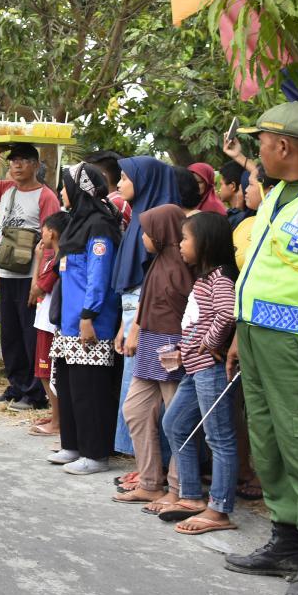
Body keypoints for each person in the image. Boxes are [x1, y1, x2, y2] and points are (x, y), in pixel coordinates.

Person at [223, 101, 298, 595]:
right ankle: (287, 539)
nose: (256, 151)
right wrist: (241, 333)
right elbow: (262, 268)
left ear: (283, 146)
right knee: (268, 442)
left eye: (260, 141)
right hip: (259, 337)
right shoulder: (280, 192)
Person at [159, 212, 239, 535]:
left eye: (186, 238)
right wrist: (184, 350)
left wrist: (209, 343)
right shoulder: (204, 280)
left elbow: (226, 312)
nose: (180, 245)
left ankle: (219, 509)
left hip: (210, 370)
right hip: (194, 370)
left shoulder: (220, 279)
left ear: (205, 242)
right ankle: (190, 495)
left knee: (219, 438)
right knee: (175, 424)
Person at [0, 142, 60, 411]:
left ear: (36, 165)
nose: (17, 165)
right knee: (10, 334)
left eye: (23, 160)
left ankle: (34, 393)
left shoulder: (46, 197)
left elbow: (51, 244)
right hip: (6, 271)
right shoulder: (5, 189)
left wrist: (39, 283)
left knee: (29, 333)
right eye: (13, 161)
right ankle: (16, 385)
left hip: (28, 276)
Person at [48, 163, 122, 476]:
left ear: (80, 190)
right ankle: (73, 445)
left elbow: (99, 275)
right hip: (68, 323)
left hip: (90, 322)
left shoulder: (99, 225)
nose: (62, 192)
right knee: (69, 386)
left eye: (65, 186)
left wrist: (89, 315)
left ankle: (95, 453)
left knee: (89, 390)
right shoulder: (77, 222)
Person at [115, 205, 190, 505]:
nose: (143, 237)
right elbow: (147, 304)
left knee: (176, 419)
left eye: (148, 231)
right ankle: (149, 481)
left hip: (170, 349)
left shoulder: (182, 267)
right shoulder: (159, 261)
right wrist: (133, 331)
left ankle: (179, 487)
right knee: (135, 410)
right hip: (149, 346)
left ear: (161, 232)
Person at [109, 156, 180, 461]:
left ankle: (157, 466)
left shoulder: (159, 222)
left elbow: (152, 285)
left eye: (126, 178)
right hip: (134, 313)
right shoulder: (140, 216)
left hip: (150, 319)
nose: (120, 183)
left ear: (146, 181)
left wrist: (134, 326)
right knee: (135, 394)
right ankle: (143, 464)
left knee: (152, 396)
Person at [29, 213, 69, 435]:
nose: (41, 233)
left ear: (51, 232)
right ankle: (56, 415)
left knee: (47, 373)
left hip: (49, 323)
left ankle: (58, 422)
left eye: (43, 229)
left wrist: (37, 260)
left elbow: (37, 289)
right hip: (45, 320)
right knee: (45, 373)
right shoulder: (55, 256)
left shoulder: (57, 258)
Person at [218, 160, 250, 227]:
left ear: (233, 186)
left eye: (221, 184)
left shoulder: (239, 218)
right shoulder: (234, 213)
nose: (218, 190)